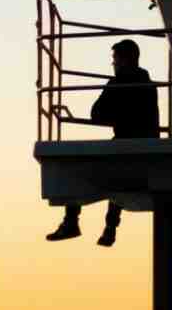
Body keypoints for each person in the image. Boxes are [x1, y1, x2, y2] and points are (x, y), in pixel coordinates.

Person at [46, 38, 160, 246]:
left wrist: (116, 113)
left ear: (125, 60)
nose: (114, 64)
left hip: (126, 144)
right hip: (149, 149)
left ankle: (71, 221)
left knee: (76, 168)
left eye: (115, 60)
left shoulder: (118, 83)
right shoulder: (149, 85)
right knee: (118, 179)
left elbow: (96, 114)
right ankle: (110, 228)